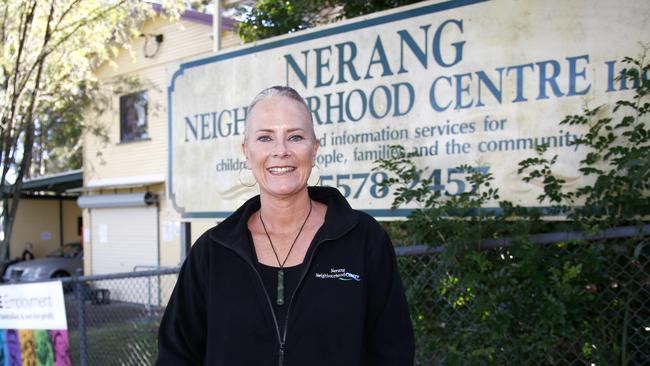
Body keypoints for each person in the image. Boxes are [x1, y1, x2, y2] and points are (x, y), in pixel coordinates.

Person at [157, 86, 414, 365]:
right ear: (246, 152)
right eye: (265, 138)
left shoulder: (364, 240)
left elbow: (393, 352)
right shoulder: (212, 252)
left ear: (314, 149)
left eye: (295, 137)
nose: (281, 151)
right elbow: (176, 356)